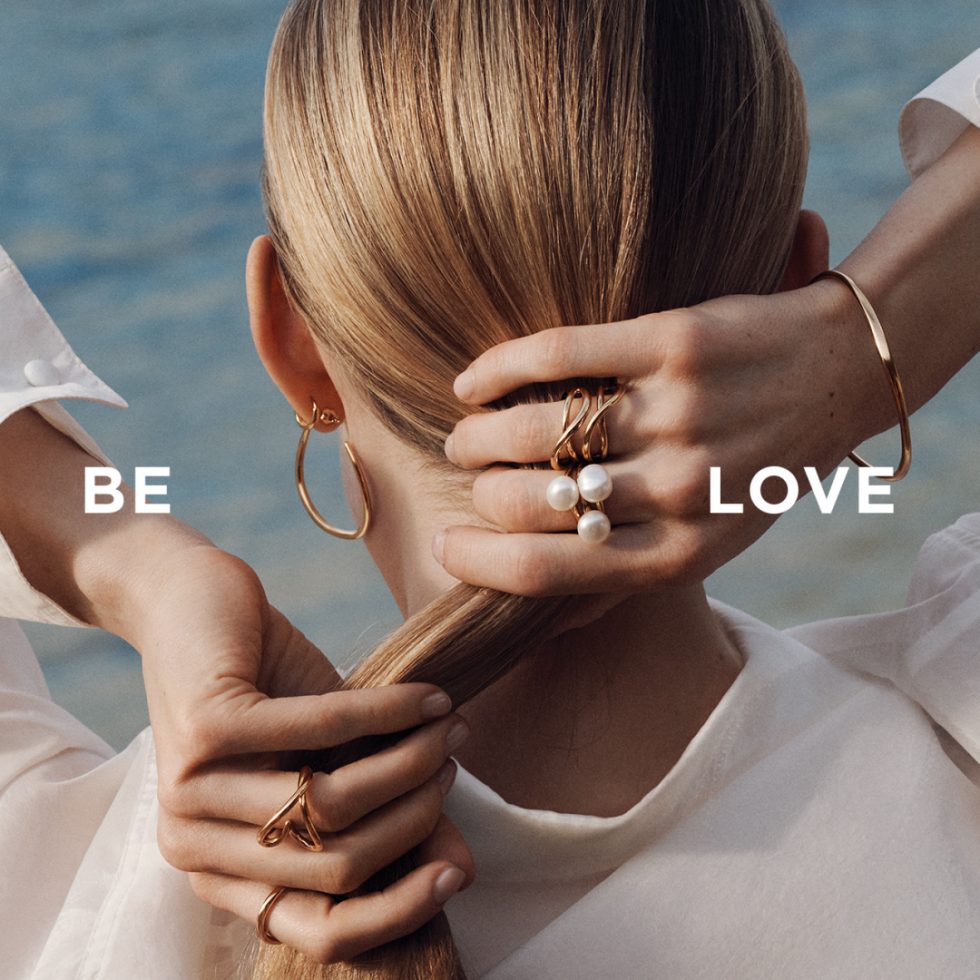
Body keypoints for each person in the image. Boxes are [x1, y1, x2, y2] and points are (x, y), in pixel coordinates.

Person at [0, 4, 977, 980]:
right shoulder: (954, 743)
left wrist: (136, 564)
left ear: (292, 343)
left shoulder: (79, 895)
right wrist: (864, 344)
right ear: (795, 279)